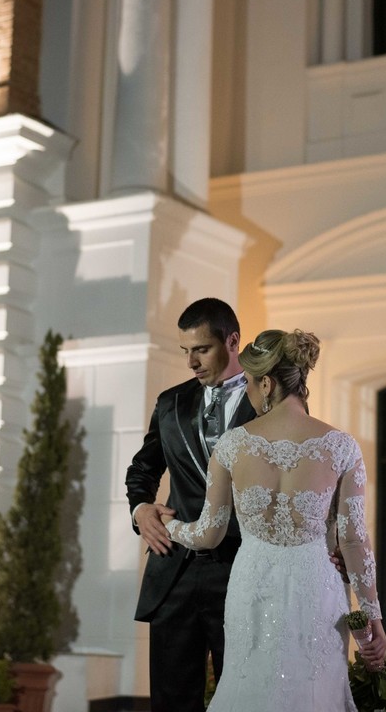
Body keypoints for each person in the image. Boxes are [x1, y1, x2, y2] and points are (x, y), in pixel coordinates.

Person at [163, 328, 386, 711]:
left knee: (251, 685)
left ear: (266, 383)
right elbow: (354, 541)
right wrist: (373, 618)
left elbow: (208, 534)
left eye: (250, 382)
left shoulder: (232, 445)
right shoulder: (340, 446)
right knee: (314, 690)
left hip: (253, 584)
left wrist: (166, 523)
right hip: (317, 585)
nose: (249, 391)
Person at [125, 298, 257, 712]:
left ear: (232, 341)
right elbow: (142, 469)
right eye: (186, 351)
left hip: (242, 568)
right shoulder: (170, 403)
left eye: (200, 349)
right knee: (170, 701)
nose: (191, 363)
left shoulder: (271, 402)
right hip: (174, 569)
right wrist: (141, 509)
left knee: (242, 697)